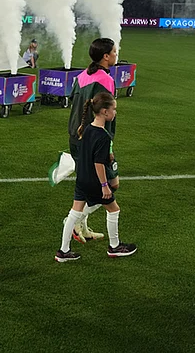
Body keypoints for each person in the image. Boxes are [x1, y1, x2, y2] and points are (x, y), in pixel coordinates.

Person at [55, 92, 136, 262]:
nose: (115, 112)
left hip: (82, 179)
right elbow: (98, 164)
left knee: (74, 213)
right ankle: (114, 246)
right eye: (114, 109)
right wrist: (104, 185)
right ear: (105, 112)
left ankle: (63, 251)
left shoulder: (88, 129)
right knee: (114, 209)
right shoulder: (103, 136)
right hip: (95, 182)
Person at [62, 38, 119, 242]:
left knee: (86, 185)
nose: (116, 54)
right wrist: (108, 146)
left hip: (75, 136)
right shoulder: (106, 80)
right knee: (111, 183)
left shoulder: (81, 76)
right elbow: (106, 114)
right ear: (106, 56)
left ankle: (81, 226)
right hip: (94, 139)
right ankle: (75, 220)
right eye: (114, 52)